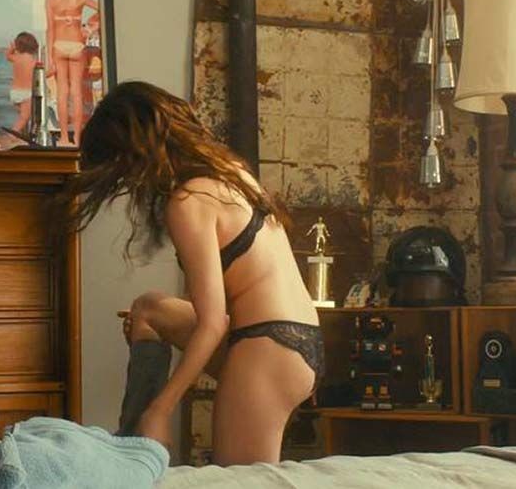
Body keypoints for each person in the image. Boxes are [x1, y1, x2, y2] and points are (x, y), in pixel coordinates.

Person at [55, 82, 323, 466]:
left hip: (267, 350)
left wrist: (162, 409)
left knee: (238, 482)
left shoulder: (188, 202)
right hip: (294, 338)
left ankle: (148, 428)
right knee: (149, 310)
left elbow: (213, 323)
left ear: (139, 152)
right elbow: (224, 301)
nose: (129, 183)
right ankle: (132, 448)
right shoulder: (232, 174)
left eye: (124, 169)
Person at [44, 0, 97, 147]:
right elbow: (103, 9)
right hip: (76, 44)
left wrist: (49, 58)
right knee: (77, 93)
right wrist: (90, 28)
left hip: (59, 45)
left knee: (62, 92)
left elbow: (50, 30)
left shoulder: (51, 0)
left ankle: (65, 138)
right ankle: (78, 139)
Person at [5, 32, 40, 134]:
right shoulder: (33, 62)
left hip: (15, 93)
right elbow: (42, 74)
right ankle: (12, 134)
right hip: (27, 93)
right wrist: (54, 70)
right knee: (24, 118)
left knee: (22, 116)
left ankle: (22, 137)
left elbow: (7, 56)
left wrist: (12, 48)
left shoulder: (16, 58)